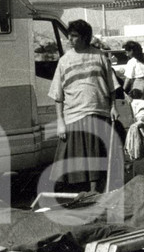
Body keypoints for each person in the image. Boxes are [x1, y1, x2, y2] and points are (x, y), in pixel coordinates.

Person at [49, 19, 120, 193]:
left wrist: (113, 107)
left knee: (97, 162)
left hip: (99, 113)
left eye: (74, 36)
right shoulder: (64, 61)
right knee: (74, 165)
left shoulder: (100, 56)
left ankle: (96, 198)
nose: (70, 40)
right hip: (74, 116)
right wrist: (60, 122)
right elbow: (58, 96)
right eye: (70, 36)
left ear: (85, 37)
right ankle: (78, 200)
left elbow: (112, 86)